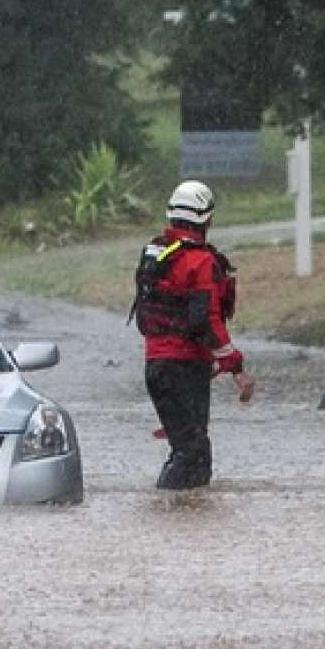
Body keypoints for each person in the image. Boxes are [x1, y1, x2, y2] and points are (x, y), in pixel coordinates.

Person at [132, 180, 253, 490]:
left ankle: (187, 522)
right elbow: (207, 321)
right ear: (207, 219)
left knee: (192, 451)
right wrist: (236, 368)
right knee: (192, 453)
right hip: (183, 370)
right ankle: (172, 516)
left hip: (158, 368)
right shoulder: (201, 262)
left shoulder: (156, 254)